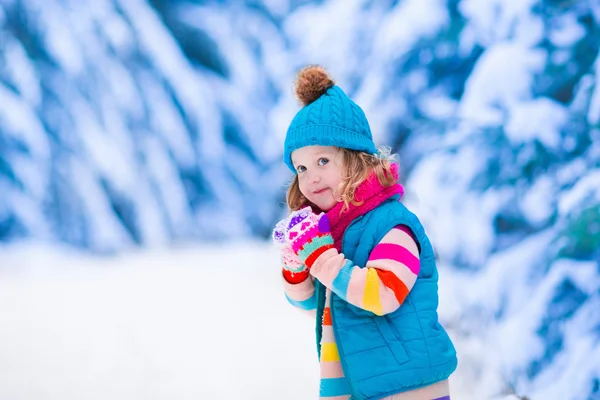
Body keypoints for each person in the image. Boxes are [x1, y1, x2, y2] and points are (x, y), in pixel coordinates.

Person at [272, 65, 457, 400]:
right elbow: (301, 302)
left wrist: (321, 259)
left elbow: (382, 293)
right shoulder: (335, 230)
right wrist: (297, 264)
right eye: (301, 168)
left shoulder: (392, 224)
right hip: (357, 386)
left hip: (407, 388)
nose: (311, 177)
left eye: (323, 161)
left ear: (356, 159)